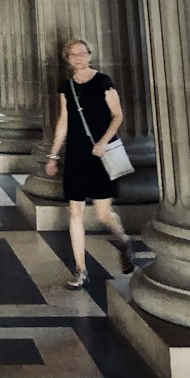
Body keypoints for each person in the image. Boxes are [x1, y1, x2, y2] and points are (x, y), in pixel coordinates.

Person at [45, 37, 136, 289]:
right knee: (75, 213)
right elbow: (63, 122)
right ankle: (81, 271)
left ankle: (123, 240)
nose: (79, 57)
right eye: (73, 54)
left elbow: (117, 116)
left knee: (103, 213)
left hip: (100, 154)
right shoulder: (67, 87)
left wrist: (103, 142)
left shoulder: (103, 81)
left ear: (89, 55)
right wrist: (53, 155)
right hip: (76, 154)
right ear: (67, 59)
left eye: (82, 53)